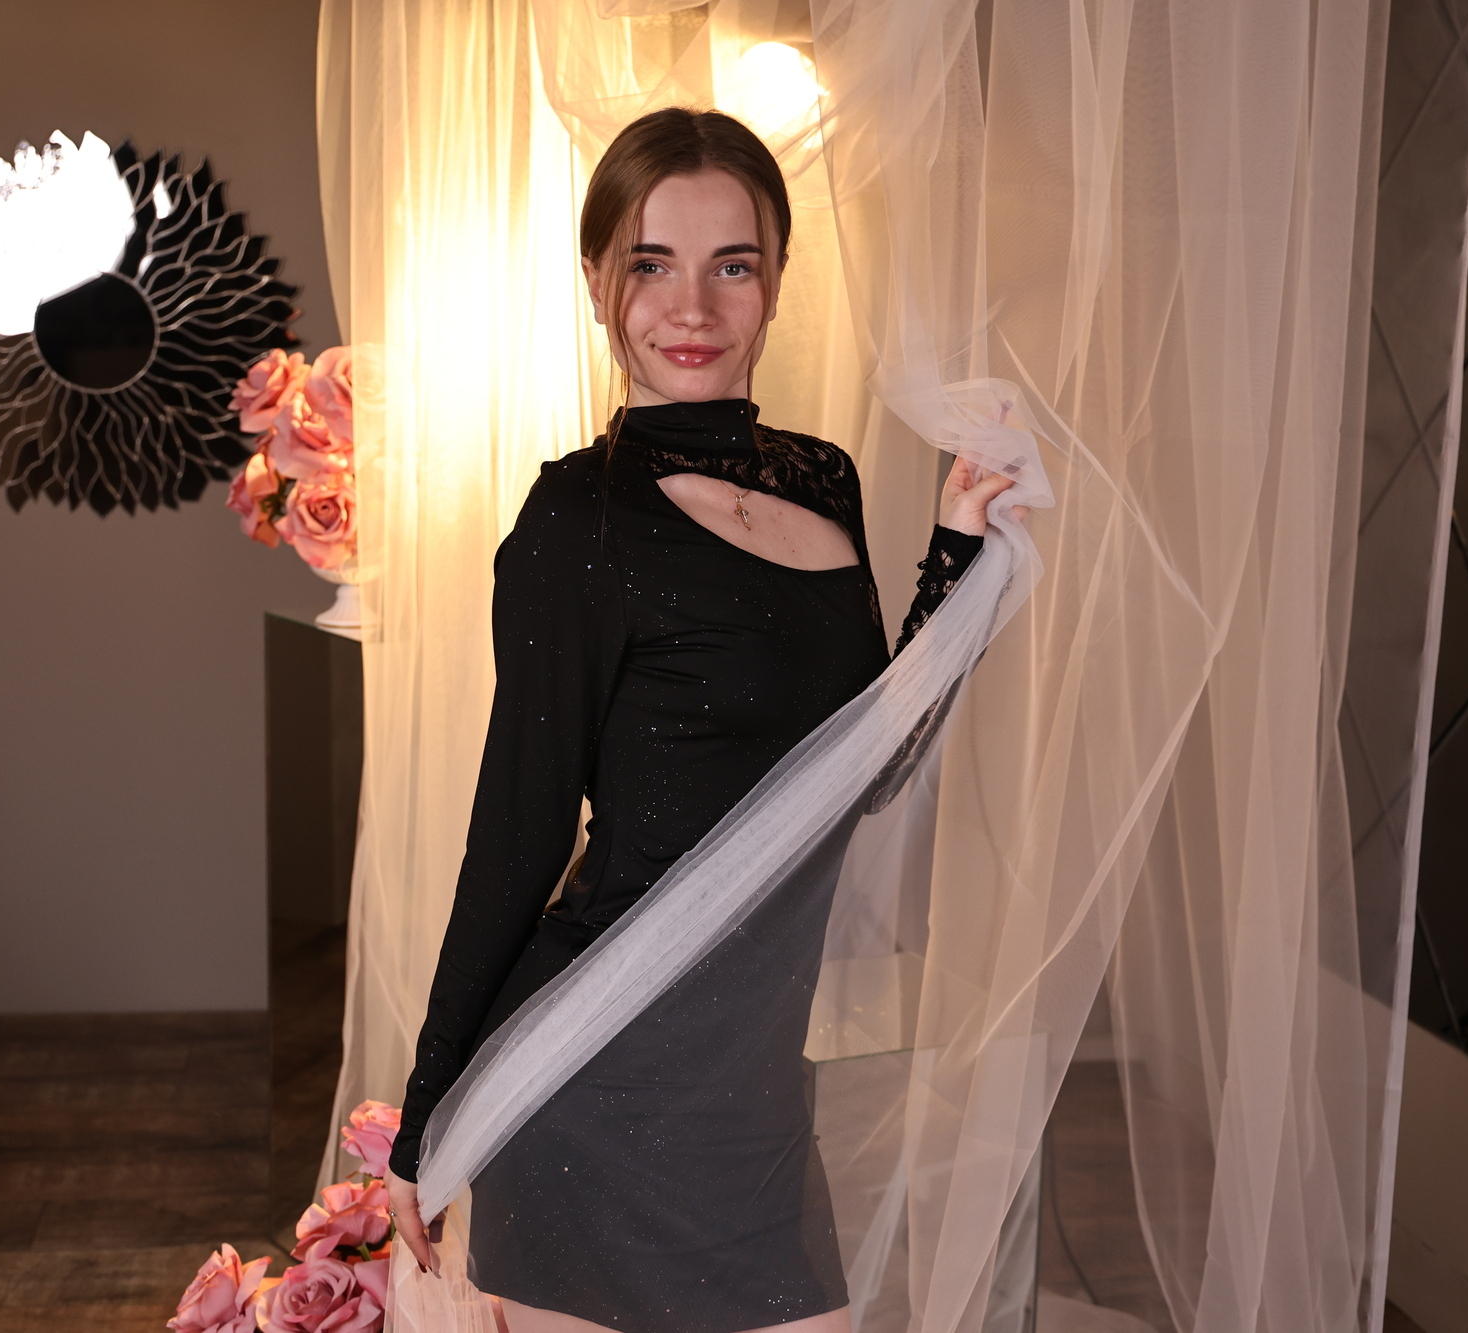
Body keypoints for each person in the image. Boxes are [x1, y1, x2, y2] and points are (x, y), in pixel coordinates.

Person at [381, 107, 1026, 1333]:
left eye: (731, 264)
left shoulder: (821, 478)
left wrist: (958, 552)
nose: (691, 306)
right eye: (650, 263)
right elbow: (517, 833)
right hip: (588, 1076)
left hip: (751, 1092)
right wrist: (426, 1120)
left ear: (775, 281)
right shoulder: (577, 521)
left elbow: (867, 766)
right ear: (595, 282)